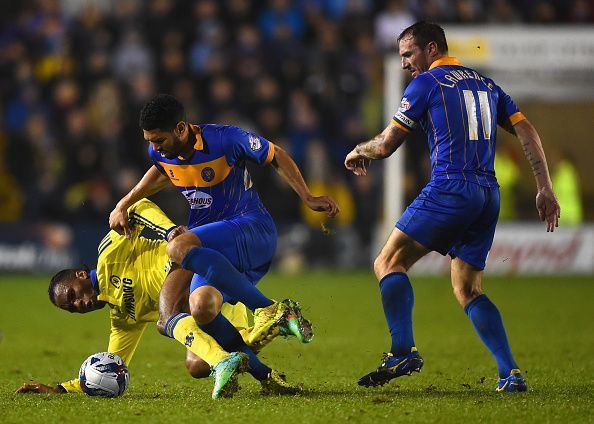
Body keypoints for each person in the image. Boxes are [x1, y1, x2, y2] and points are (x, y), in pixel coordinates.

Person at [344, 22, 560, 393]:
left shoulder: (427, 84)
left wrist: (357, 151)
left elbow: (384, 146)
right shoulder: (487, 84)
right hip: (487, 194)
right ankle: (510, 373)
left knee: (388, 262)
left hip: (451, 186)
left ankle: (402, 351)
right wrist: (545, 187)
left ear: (431, 48)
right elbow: (527, 131)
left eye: (408, 54)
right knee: (468, 288)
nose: (405, 65)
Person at [108, 94, 338, 388]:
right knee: (201, 312)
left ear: (181, 128)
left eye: (159, 140)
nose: (154, 148)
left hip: (250, 227)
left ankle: (270, 309)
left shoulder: (225, 139)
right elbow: (161, 171)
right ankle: (265, 376)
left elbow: (275, 153)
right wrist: (124, 203)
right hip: (216, 249)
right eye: (150, 141)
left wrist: (307, 196)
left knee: (177, 246)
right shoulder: (161, 153)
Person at [16, 199, 302, 399]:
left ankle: (229, 355)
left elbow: (138, 207)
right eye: (72, 308)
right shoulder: (123, 320)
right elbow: (111, 365)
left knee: (166, 318)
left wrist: (168, 231)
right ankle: (265, 329)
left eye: (72, 295)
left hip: (192, 263)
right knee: (196, 366)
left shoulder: (107, 255)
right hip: (209, 301)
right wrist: (62, 389)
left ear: (79, 275)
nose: (78, 304)